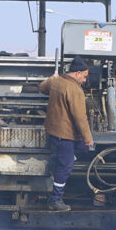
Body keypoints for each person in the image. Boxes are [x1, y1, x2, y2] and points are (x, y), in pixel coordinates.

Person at [39, 57, 94, 212]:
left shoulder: (56, 82)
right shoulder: (75, 90)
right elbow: (80, 117)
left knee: (79, 150)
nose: (84, 80)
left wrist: (52, 77)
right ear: (77, 73)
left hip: (53, 131)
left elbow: (41, 87)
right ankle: (55, 200)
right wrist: (88, 138)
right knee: (66, 166)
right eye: (84, 76)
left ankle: (55, 162)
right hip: (66, 134)